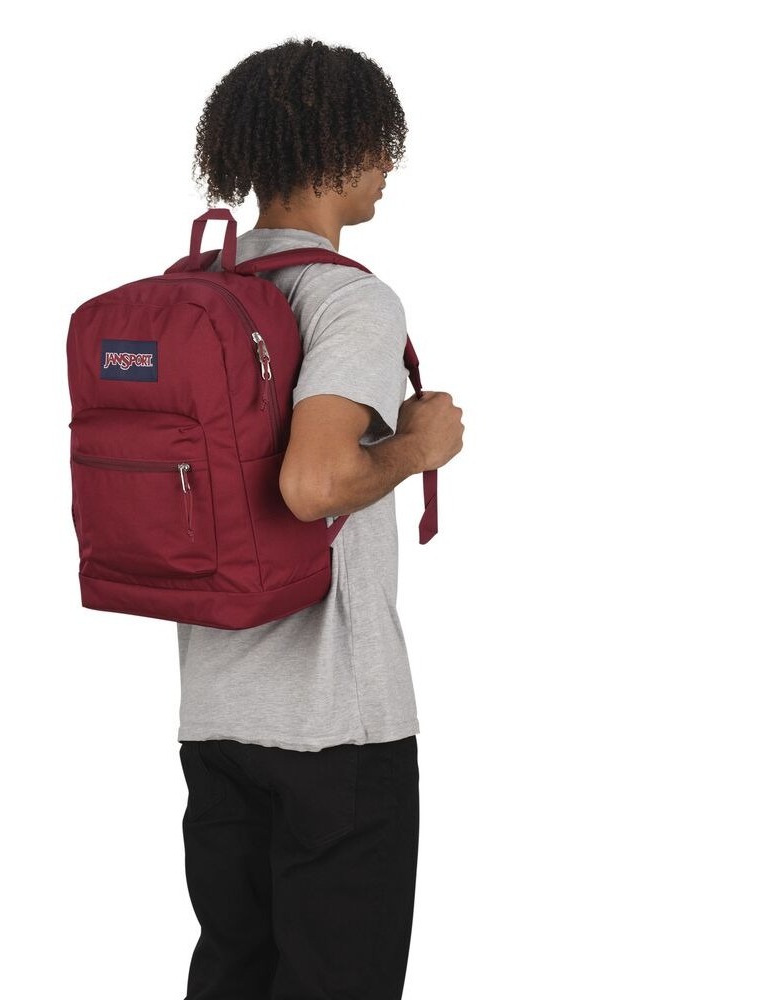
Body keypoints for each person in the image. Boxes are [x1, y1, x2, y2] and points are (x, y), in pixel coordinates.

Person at [177, 38, 465, 1000]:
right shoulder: (349, 300)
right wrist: (417, 449)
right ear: (339, 148)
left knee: (234, 976)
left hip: (216, 714)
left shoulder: (201, 289)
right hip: (337, 724)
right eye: (379, 142)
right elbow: (313, 483)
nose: (387, 166)